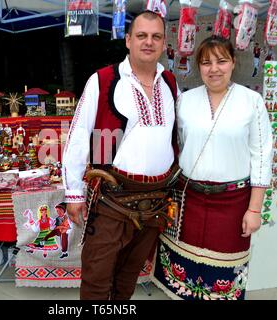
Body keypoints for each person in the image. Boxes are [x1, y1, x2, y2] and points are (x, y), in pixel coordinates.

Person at [62, 10, 179, 300]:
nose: (148, 42)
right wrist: (74, 194)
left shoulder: (171, 84)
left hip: (155, 202)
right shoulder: (103, 80)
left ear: (164, 43)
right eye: (141, 36)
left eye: (155, 36)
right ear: (128, 40)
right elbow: (77, 138)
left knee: (128, 278)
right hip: (112, 199)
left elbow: (177, 137)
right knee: (97, 279)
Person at [157, 36, 272, 300]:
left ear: (233, 63)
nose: (214, 69)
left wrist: (254, 209)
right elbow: (178, 146)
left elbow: (263, 155)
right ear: (199, 67)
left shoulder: (251, 101)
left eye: (221, 61)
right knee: (184, 273)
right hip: (189, 199)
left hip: (234, 201)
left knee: (223, 275)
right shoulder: (185, 101)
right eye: (206, 62)